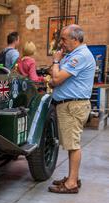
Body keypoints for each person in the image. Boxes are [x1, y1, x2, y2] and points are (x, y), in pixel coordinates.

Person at [48, 24, 96, 194]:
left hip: (72, 106)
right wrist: (55, 76)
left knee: (73, 144)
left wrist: (55, 61)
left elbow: (57, 77)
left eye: (64, 39)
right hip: (69, 104)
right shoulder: (74, 54)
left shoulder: (80, 56)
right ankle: (72, 177)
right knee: (71, 143)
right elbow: (54, 80)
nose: (61, 42)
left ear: (75, 39)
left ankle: (72, 183)